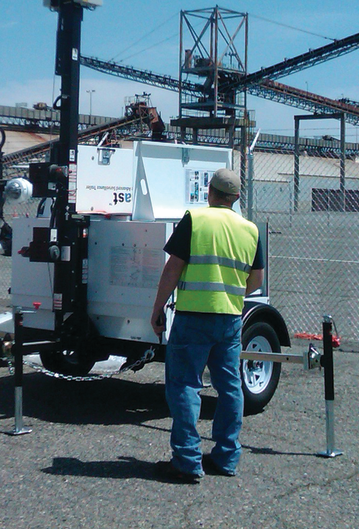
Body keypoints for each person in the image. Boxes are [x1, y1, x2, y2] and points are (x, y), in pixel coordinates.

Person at [150, 167, 264, 482]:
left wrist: (158, 308)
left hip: (193, 317)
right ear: (237, 198)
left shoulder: (195, 220)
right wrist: (229, 292)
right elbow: (256, 279)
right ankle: (226, 458)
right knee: (230, 387)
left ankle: (187, 461)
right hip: (230, 319)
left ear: (209, 192)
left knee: (185, 384)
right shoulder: (250, 229)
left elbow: (173, 268)